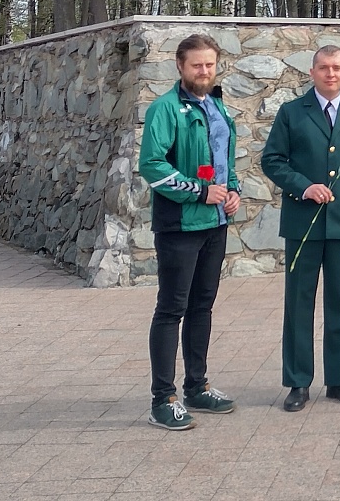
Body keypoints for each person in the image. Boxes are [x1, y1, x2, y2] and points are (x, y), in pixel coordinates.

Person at [260, 45, 340, 413]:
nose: (331, 74)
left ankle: (339, 379)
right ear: (312, 72)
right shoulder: (291, 113)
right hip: (304, 224)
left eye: (337, 68)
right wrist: (304, 186)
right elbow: (272, 160)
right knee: (299, 304)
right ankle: (298, 382)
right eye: (323, 68)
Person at [137, 34, 242, 430]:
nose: (204, 71)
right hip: (179, 226)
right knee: (171, 309)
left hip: (215, 225)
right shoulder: (165, 109)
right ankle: (162, 398)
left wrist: (232, 191)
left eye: (210, 65)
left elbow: (225, 160)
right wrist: (200, 191)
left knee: (202, 307)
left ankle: (196, 386)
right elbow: (152, 166)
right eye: (197, 65)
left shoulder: (218, 106)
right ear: (180, 67)